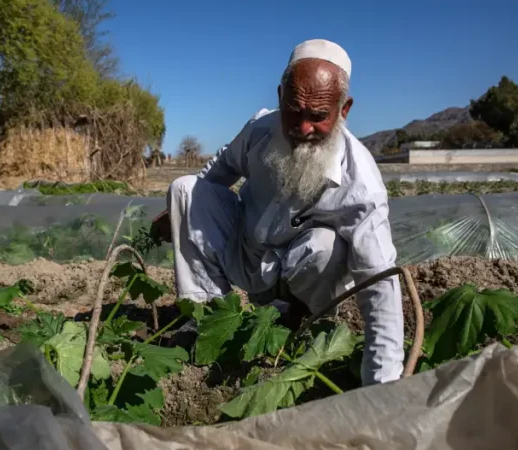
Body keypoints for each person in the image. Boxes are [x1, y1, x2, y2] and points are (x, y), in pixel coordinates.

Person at [151, 39, 404, 386]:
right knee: (185, 190)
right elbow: (221, 168)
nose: (303, 129)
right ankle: (206, 317)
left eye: (318, 117)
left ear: (343, 110)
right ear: (280, 94)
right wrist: (179, 213)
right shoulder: (261, 129)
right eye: (294, 111)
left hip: (305, 276)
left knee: (326, 245)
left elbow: (380, 281)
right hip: (250, 255)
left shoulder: (361, 185)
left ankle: (305, 322)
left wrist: (383, 384)